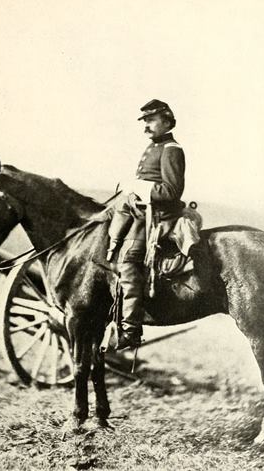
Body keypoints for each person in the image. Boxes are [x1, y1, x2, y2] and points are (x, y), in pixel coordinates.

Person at [107, 99, 186, 350]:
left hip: (158, 217)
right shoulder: (155, 146)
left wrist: (139, 189)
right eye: (145, 121)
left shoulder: (172, 149)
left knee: (129, 261)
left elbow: (171, 191)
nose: (146, 126)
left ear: (167, 122)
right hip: (141, 211)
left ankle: (130, 329)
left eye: (151, 121)